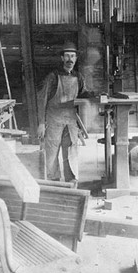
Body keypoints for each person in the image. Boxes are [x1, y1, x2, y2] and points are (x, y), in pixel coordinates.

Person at [37, 41, 94, 184]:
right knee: (51, 152)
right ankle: (53, 181)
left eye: (73, 56)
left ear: (76, 59)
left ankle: (71, 180)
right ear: (62, 58)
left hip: (70, 120)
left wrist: (96, 95)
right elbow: (42, 99)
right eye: (67, 56)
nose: (70, 59)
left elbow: (83, 94)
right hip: (54, 119)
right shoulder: (53, 77)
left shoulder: (78, 77)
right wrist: (41, 123)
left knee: (71, 150)